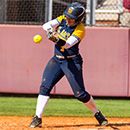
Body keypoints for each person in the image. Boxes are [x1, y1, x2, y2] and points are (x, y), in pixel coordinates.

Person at [29, 2, 108, 128]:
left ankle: (97, 114)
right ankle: (37, 118)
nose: (68, 19)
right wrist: (50, 31)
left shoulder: (80, 29)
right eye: (67, 16)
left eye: (71, 18)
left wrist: (55, 39)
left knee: (80, 94)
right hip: (57, 60)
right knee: (44, 87)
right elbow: (46, 25)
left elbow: (67, 44)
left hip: (71, 62)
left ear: (79, 19)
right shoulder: (63, 19)